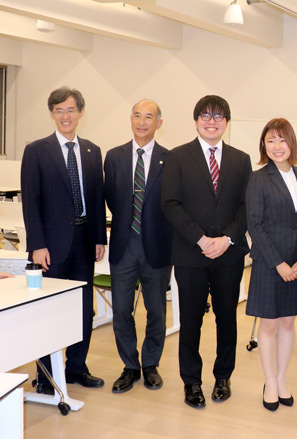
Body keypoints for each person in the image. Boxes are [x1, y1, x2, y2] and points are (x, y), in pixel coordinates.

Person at [161, 95, 252, 409]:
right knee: (190, 321)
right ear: (196, 120)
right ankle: (192, 382)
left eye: (218, 116)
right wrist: (201, 239)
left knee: (227, 319)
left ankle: (223, 377)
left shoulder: (241, 159)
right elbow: (170, 204)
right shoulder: (177, 157)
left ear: (226, 122)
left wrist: (226, 238)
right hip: (190, 254)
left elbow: (245, 206)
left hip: (228, 254)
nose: (211, 122)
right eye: (205, 116)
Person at [20, 86, 107, 394]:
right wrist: (37, 245)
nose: (65, 116)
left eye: (70, 110)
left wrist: (99, 238)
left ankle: (77, 367)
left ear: (81, 112)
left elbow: (96, 198)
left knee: (83, 308)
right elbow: (31, 201)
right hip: (51, 248)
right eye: (59, 110)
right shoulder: (37, 150)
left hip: (85, 242)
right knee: (49, 309)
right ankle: (45, 376)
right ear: (52, 114)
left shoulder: (92, 150)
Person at [104, 99, 172, 394]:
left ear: (159, 123)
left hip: (157, 246)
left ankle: (151, 364)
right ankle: (130, 366)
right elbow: (109, 197)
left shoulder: (170, 159)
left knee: (155, 310)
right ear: (130, 120)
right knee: (121, 310)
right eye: (137, 116)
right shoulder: (114, 156)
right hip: (123, 244)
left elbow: (172, 204)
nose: (142, 122)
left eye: (149, 117)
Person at [245, 118, 297, 411]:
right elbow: (254, 226)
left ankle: (283, 378)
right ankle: (270, 381)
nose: (277, 146)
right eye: (270, 141)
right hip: (269, 264)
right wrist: (280, 264)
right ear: (263, 145)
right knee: (269, 324)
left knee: (288, 322)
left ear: (292, 143)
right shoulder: (258, 178)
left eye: (282, 140)